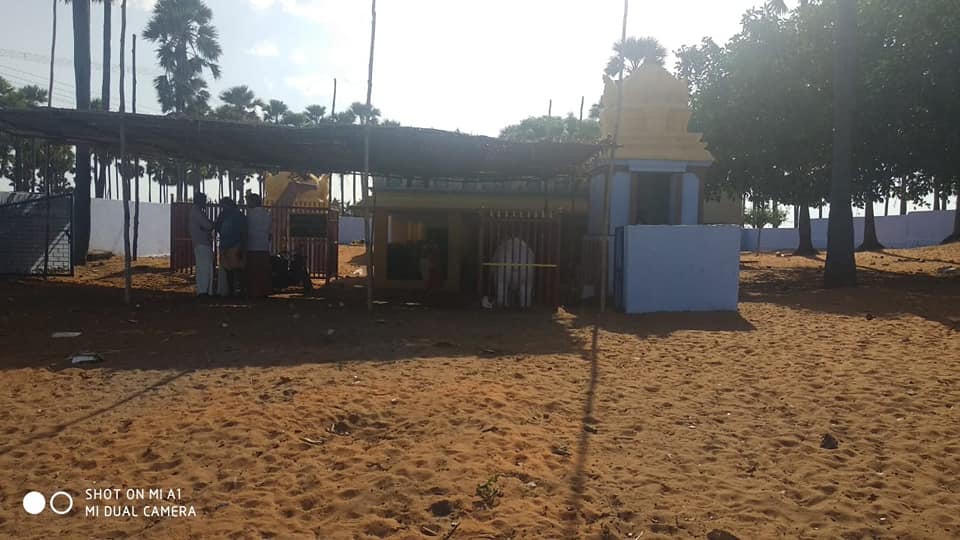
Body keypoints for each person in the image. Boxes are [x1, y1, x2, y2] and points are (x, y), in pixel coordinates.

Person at [216, 197, 247, 297]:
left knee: (232, 269)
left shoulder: (234, 215)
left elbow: (217, 226)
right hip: (231, 244)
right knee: (233, 269)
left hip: (231, 244)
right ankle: (237, 291)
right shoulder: (239, 215)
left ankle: (235, 291)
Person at [244, 192, 273, 298]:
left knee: (253, 273)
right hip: (264, 247)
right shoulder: (267, 214)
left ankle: (254, 293)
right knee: (263, 272)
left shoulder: (250, 215)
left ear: (252, 202)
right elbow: (270, 233)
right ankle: (263, 292)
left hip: (252, 246)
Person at [188, 193, 214, 297]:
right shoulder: (197, 212)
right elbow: (208, 225)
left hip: (200, 243)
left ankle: (203, 290)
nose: (205, 203)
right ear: (200, 201)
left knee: (202, 268)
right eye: (204, 201)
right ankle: (203, 291)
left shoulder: (195, 211)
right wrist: (211, 225)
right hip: (202, 243)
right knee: (205, 268)